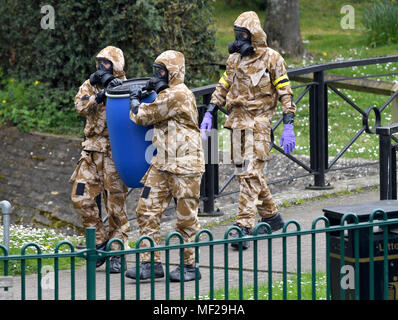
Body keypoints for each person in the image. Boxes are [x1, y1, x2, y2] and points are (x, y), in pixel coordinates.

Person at [200, 11, 296, 249]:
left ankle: (243, 227)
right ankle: (272, 217)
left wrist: (288, 125)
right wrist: (211, 110)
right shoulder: (234, 60)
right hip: (235, 124)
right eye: (237, 34)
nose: (238, 40)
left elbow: (285, 91)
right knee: (247, 174)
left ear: (254, 35)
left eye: (243, 35)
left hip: (260, 124)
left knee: (251, 174)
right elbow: (223, 85)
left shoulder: (273, 59)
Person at [125, 50, 205, 282]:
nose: (157, 76)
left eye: (162, 72)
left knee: (185, 219)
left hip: (185, 165)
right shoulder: (166, 93)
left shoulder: (178, 94)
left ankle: (190, 266)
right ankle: (151, 263)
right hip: (162, 163)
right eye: (155, 71)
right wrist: (151, 91)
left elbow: (143, 116)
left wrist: (134, 100)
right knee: (146, 210)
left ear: (174, 73)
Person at [69, 46, 130, 272]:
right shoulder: (90, 84)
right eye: (99, 62)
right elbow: (79, 105)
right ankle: (100, 240)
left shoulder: (125, 86)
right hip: (92, 152)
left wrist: (116, 92)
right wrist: (99, 95)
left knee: (115, 206)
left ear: (116, 66)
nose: (100, 67)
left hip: (115, 153)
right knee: (80, 196)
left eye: (106, 63)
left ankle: (118, 250)